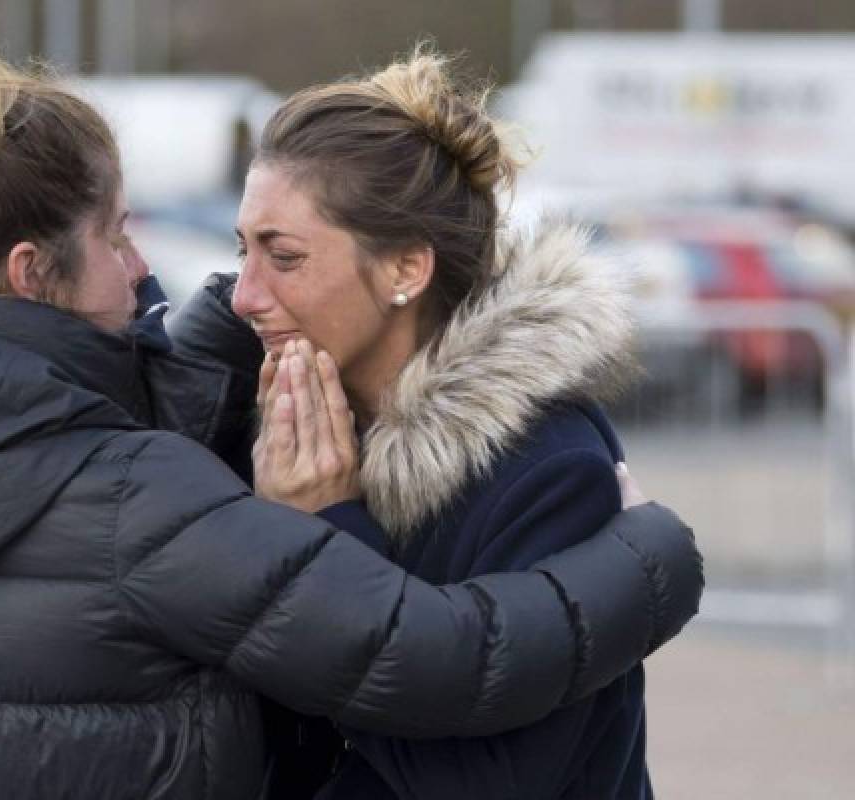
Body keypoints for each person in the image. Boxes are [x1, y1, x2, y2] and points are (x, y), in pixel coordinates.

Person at [0, 28, 701, 800]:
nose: (208, 282)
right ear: (28, 275)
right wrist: (653, 557)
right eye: (117, 235)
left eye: (283, 252)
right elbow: (436, 659)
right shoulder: (135, 486)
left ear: (408, 268)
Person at [178, 47, 667, 798]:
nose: (243, 295)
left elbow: (489, 780)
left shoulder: (547, 463)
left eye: (285, 256)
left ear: (407, 269)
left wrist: (324, 533)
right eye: (242, 250)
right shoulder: (280, 429)